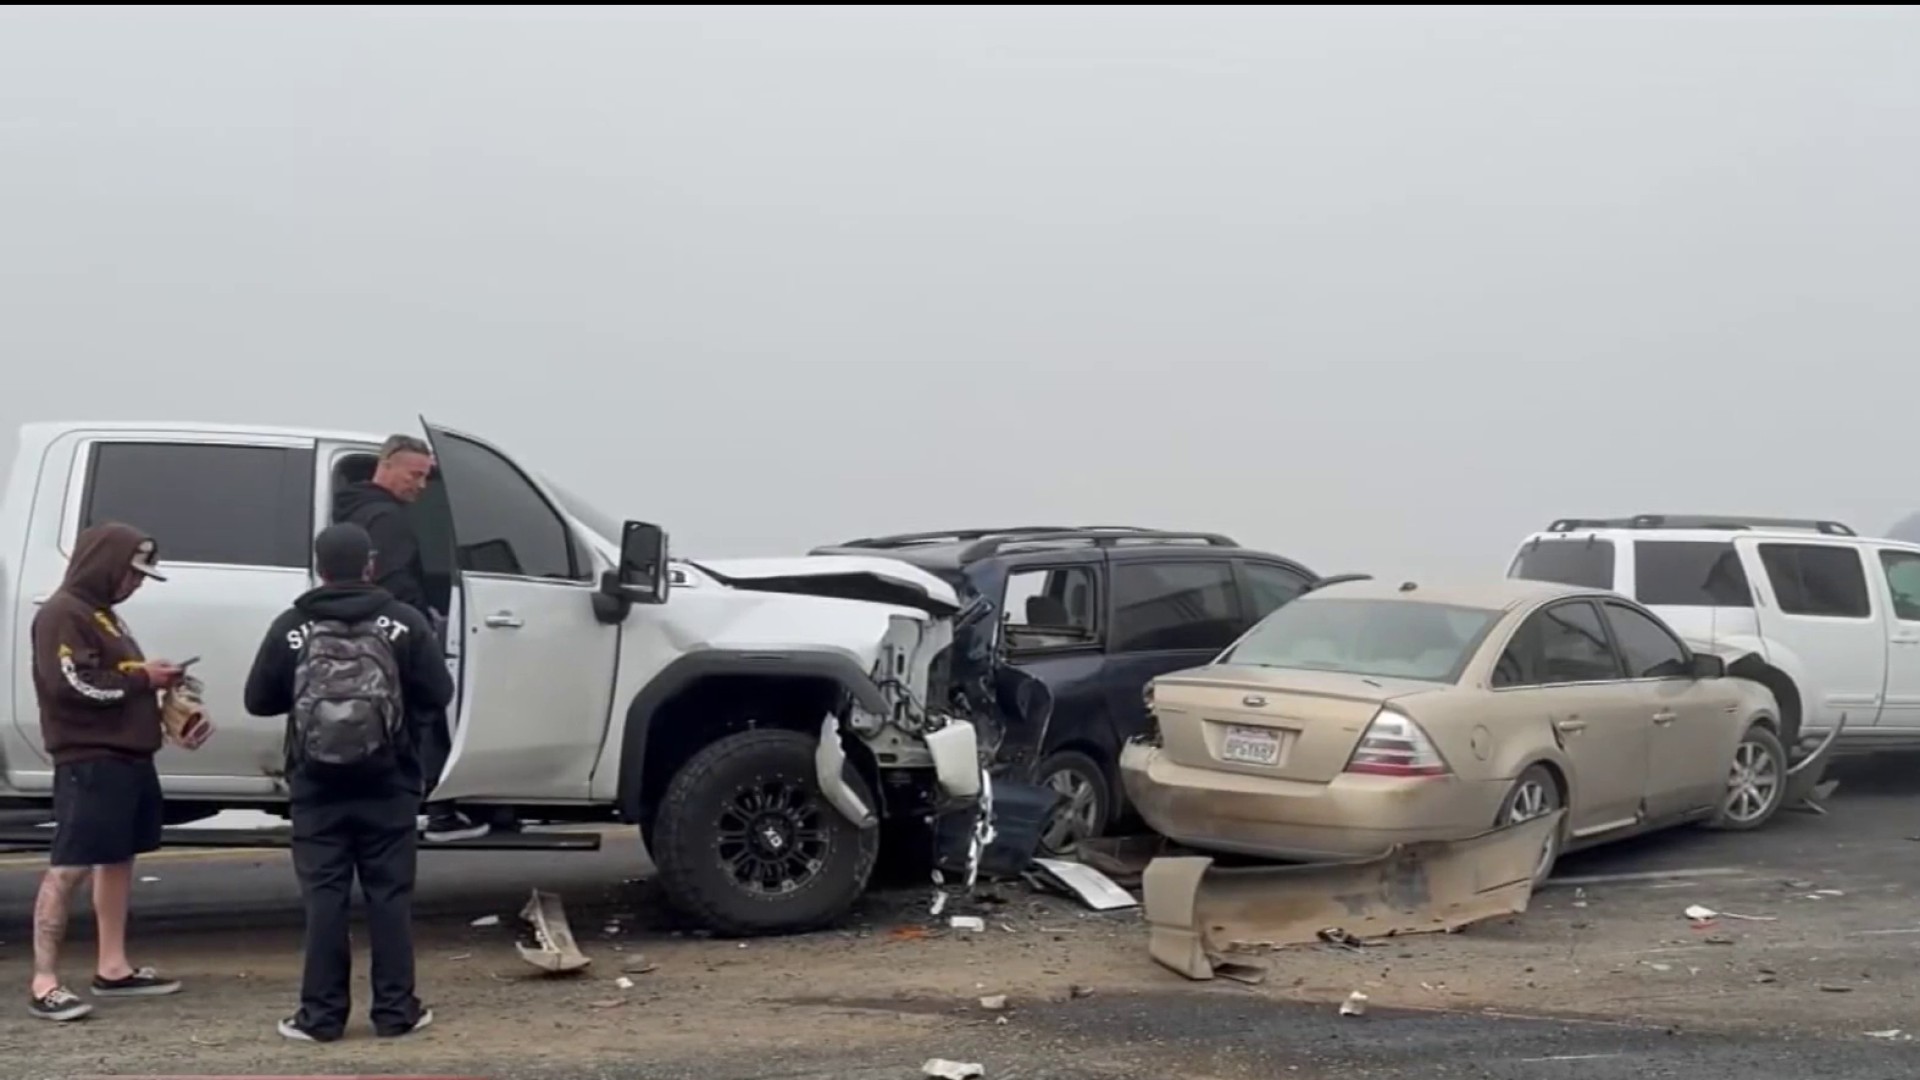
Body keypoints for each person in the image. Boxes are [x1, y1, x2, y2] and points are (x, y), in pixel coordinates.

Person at [242, 523, 453, 1042]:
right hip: (390, 781)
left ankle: (320, 1017)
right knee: (389, 896)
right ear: (370, 565)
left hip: (316, 785)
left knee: (325, 898)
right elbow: (439, 692)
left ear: (320, 568)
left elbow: (258, 700)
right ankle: (396, 1012)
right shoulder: (404, 622)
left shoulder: (293, 625)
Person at [27, 522, 193, 1022]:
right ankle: (44, 982)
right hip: (90, 760)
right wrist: (143, 680)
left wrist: (150, 680)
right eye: (132, 573)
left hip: (128, 759)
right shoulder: (63, 613)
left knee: (118, 858)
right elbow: (71, 684)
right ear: (106, 565)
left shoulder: (102, 616)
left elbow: (109, 676)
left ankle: (113, 967)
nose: (136, 583)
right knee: (70, 865)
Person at [331, 432, 504, 842]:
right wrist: (422, 623)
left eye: (425, 477)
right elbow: (394, 582)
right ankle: (436, 807)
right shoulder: (387, 519)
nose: (421, 485)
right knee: (427, 707)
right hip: (395, 632)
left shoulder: (352, 509)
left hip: (364, 637)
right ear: (386, 465)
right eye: (415, 475)